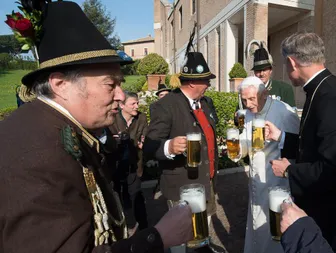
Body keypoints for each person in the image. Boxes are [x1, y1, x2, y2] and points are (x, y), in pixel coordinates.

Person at [0, 1, 193, 252]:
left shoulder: (53, 128)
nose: (121, 96)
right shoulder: (37, 154)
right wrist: (157, 237)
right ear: (60, 85)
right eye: (110, 84)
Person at [265, 32, 336, 242]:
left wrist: (289, 170)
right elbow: (316, 145)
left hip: (329, 210)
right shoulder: (321, 89)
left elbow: (334, 167)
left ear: (292, 62)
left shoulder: (333, 98)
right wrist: (282, 137)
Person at [144, 37, 224, 253]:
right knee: (179, 241)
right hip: (182, 188)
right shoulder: (165, 106)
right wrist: (169, 147)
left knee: (201, 236)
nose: (209, 85)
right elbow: (150, 147)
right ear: (191, 83)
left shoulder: (207, 103)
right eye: (206, 80)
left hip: (206, 183)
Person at [235, 76, 299, 253]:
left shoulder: (284, 112)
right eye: (244, 99)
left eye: (251, 99)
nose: (247, 104)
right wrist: (239, 150)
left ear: (264, 94)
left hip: (276, 182)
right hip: (255, 181)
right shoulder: (249, 113)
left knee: (274, 228)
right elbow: (246, 140)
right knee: (255, 224)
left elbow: (297, 148)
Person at [109, 91, 149, 236]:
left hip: (134, 165)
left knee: (136, 196)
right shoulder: (111, 119)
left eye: (137, 103)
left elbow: (145, 136)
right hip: (115, 166)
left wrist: (143, 142)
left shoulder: (141, 118)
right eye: (133, 103)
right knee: (118, 200)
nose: (137, 106)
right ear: (121, 105)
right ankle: (122, 231)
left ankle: (144, 230)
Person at [251, 42, 296, 107]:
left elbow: (292, 115)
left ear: (270, 70)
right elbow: (241, 113)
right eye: (258, 70)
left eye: (265, 70)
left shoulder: (284, 89)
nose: (261, 74)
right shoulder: (248, 90)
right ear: (254, 72)